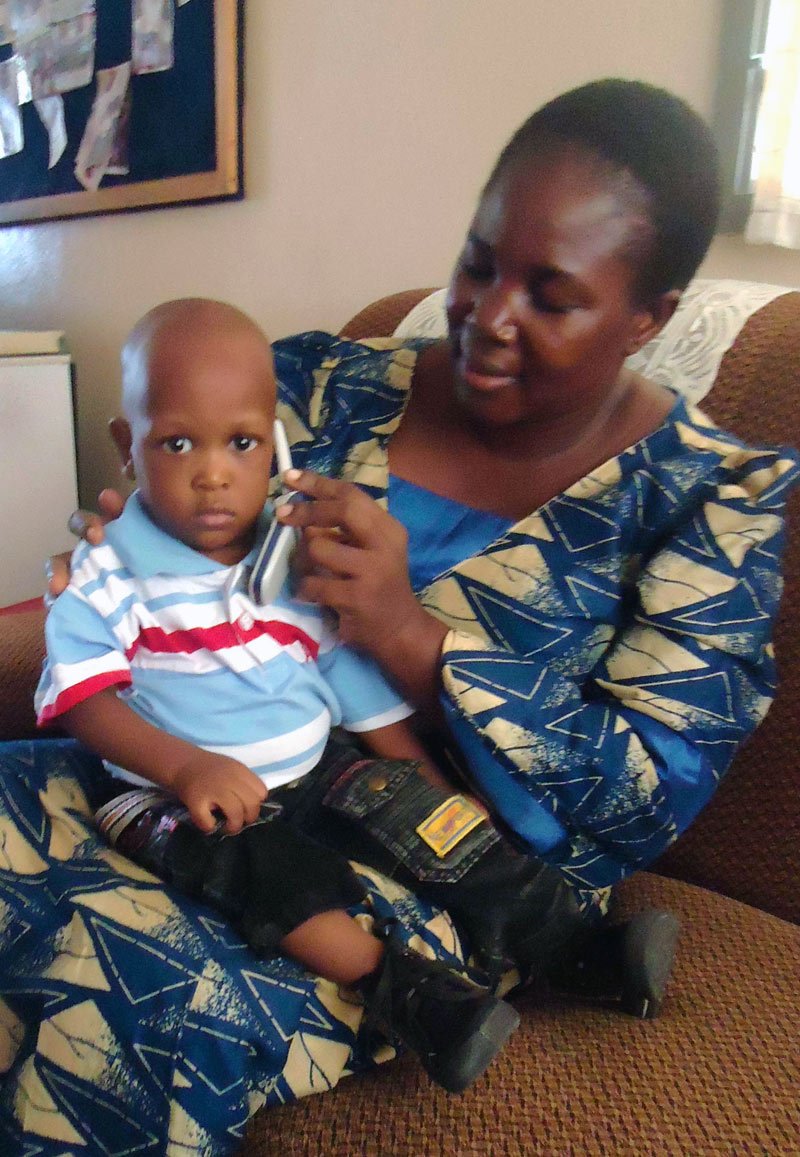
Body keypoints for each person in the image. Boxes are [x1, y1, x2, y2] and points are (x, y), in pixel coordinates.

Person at [2, 78, 797, 1153]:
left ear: (646, 320)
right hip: (206, 746)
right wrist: (134, 543)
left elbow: (646, 794)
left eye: (550, 296)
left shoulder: (709, 504)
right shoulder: (325, 385)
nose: (487, 315)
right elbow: (159, 490)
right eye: (477, 261)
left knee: (129, 985)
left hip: (446, 852)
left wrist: (409, 638)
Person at [34, 296, 521, 1094]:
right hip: (159, 791)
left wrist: (433, 787)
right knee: (267, 870)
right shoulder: (106, 567)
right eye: (178, 442)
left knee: (427, 819)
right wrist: (187, 767)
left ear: (277, 445)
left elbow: (351, 682)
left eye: (243, 443)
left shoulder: (293, 556)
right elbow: (81, 699)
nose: (215, 472)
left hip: (312, 764)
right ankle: (407, 992)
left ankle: (570, 941)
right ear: (128, 446)